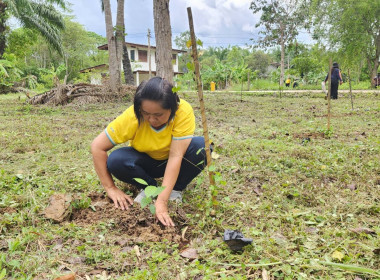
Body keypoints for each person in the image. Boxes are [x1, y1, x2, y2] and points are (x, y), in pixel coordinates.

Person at [91, 77, 207, 227]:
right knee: (116, 160)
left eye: (158, 115)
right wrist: (110, 188)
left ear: (173, 108)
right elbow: (97, 147)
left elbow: (176, 156)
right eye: (146, 113)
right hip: (145, 162)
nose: (151, 119)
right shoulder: (132, 116)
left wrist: (162, 202)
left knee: (202, 147)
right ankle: (150, 188)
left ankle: (175, 190)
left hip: (172, 160)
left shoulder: (182, 111)